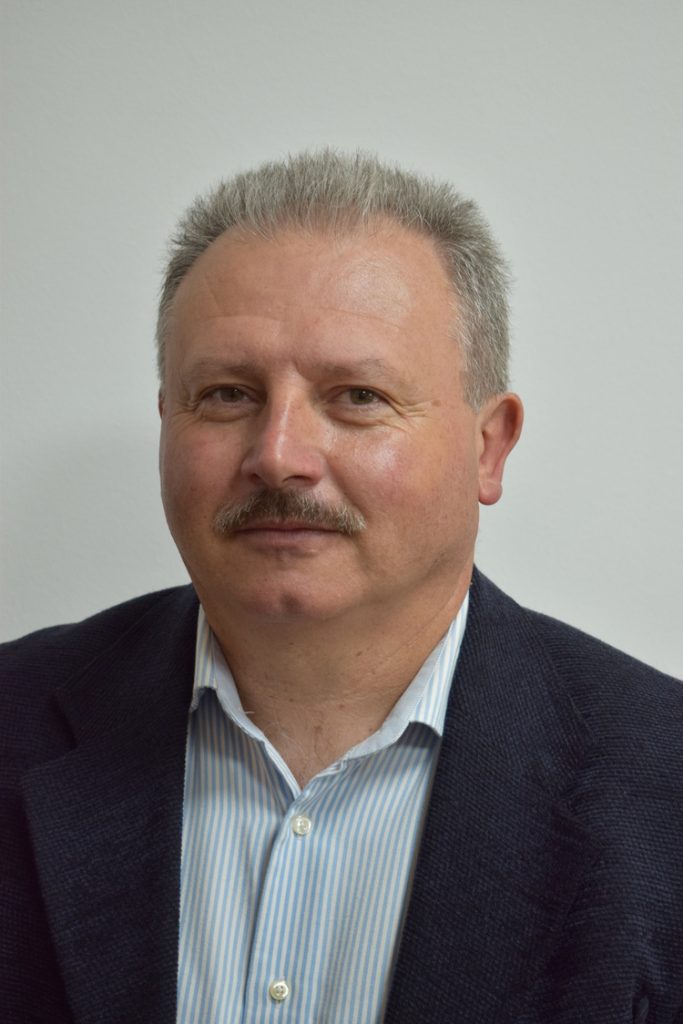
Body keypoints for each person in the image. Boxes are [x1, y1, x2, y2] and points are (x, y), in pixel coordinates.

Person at [1, 150, 681, 1024]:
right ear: (167, 422)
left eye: (357, 396)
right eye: (228, 394)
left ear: (488, 447)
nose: (278, 454)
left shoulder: (661, 786)